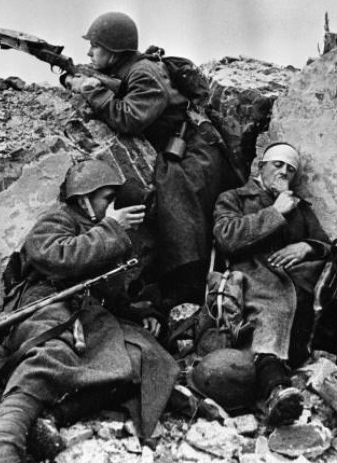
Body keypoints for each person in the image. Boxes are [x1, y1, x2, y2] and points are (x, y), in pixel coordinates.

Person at [0, 160, 179, 463]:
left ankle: (53, 416)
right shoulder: (58, 221)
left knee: (147, 361)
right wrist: (111, 228)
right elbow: (56, 256)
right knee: (51, 355)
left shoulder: (108, 231)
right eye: (107, 198)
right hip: (48, 302)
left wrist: (140, 314)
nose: (113, 206)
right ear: (83, 199)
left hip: (92, 316)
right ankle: (4, 447)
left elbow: (110, 293)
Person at [62, 12, 231, 309]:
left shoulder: (143, 73)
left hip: (197, 149)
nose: (89, 52)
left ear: (114, 50)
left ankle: (188, 284)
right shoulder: (132, 68)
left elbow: (129, 118)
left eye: (95, 46)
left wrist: (94, 92)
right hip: (182, 143)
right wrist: (74, 78)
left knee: (175, 199)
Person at [212, 142, 331, 425]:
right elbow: (226, 236)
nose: (284, 172)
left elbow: (325, 244)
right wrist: (275, 212)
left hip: (296, 279)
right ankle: (275, 389)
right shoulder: (235, 197)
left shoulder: (300, 207)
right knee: (271, 308)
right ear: (260, 167)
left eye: (290, 169)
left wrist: (306, 247)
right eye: (278, 165)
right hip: (252, 274)